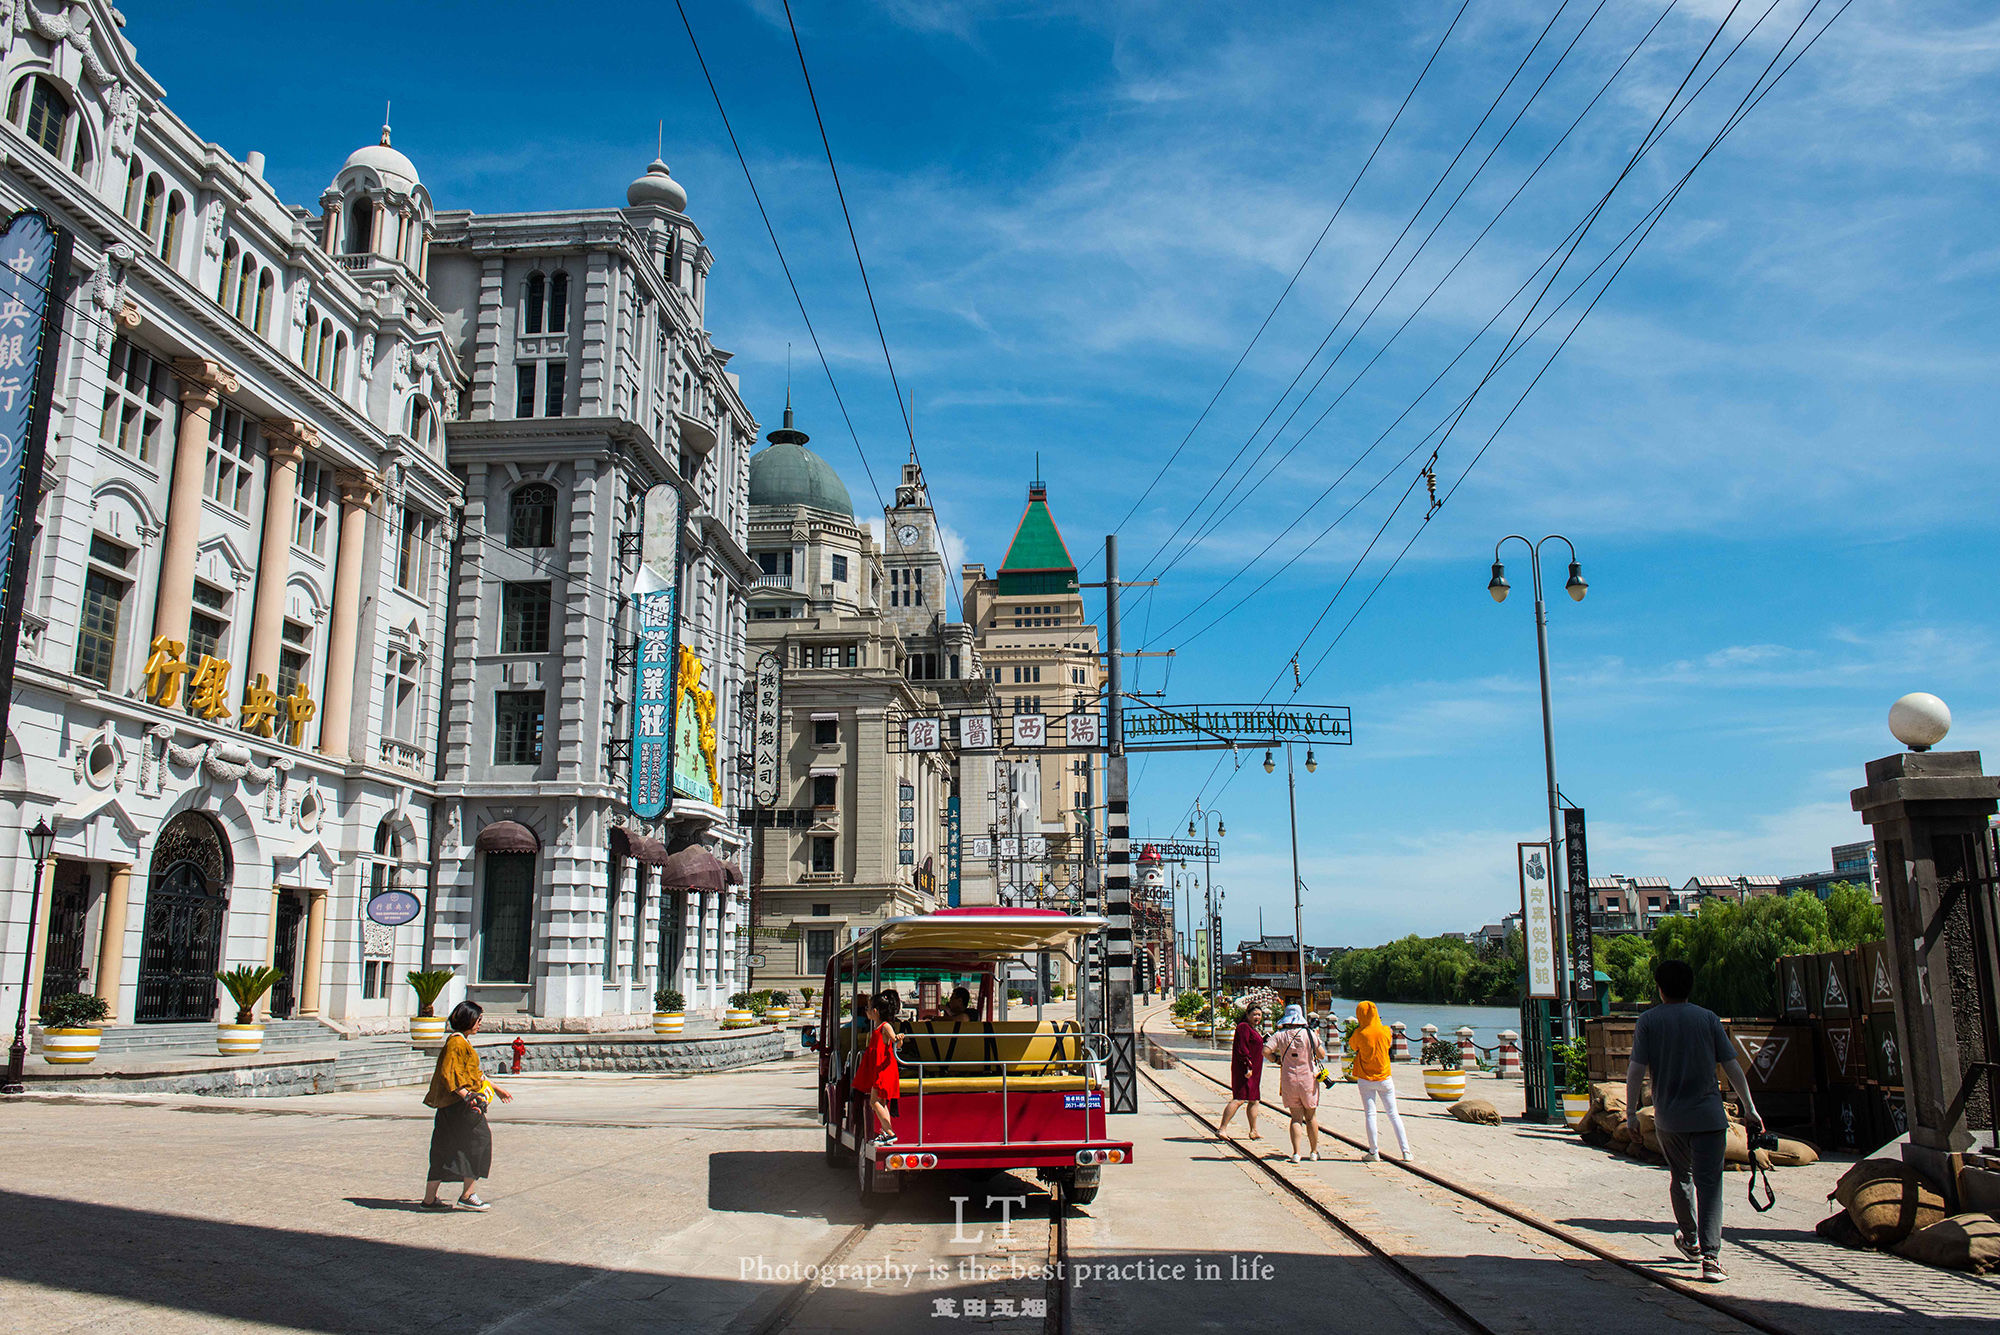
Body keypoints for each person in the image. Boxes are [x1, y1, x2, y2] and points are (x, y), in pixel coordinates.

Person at [1624, 958, 1763, 1284]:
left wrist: (1631, 1113)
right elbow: (1731, 1066)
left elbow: (1635, 1070)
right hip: (1709, 1118)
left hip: (1669, 1119)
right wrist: (1750, 1107)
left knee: (1681, 1178)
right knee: (1711, 1186)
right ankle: (1712, 1260)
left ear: (1660, 988)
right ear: (1690, 986)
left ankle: (1690, 1239)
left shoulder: (1648, 1021)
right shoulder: (1708, 1019)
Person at [421, 1000, 512, 1211]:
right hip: (460, 1107)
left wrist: (496, 1088)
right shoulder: (457, 1043)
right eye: (478, 1020)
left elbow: (473, 1073)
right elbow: (449, 1074)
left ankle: (429, 1200)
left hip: (455, 1106)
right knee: (479, 1142)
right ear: (468, 1019)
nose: (480, 1024)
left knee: (444, 1148)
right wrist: (467, 1096)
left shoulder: (462, 1041)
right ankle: (467, 1194)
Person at [1348, 1001, 1412, 1162]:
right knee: (1393, 1114)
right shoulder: (1385, 1031)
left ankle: (1374, 1152)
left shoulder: (1360, 1033)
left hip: (1365, 1078)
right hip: (1385, 1078)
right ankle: (1406, 1151)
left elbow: (1353, 1047)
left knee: (1370, 1114)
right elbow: (1388, 1044)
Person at [1266, 1004, 1326, 1163]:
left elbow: (1265, 1050)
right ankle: (1313, 1152)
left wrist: (1276, 1059)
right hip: (1308, 1080)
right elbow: (1321, 1055)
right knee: (1311, 1117)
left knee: (1296, 1118)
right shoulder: (1309, 1033)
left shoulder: (1280, 1034)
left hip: (1289, 1080)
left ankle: (1296, 1153)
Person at [854, 990, 903, 1147]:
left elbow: (895, 1041)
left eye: (868, 1008)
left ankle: (889, 1133)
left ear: (875, 1011)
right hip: (878, 1068)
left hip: (883, 1070)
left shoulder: (885, 1026)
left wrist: (899, 1039)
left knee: (874, 1101)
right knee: (881, 1102)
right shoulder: (877, 1027)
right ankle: (886, 1131)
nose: (866, 1011)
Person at [1217, 1004, 1266, 1140]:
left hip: (1255, 1071)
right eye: (1254, 1014)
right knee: (1239, 1098)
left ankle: (1253, 1130)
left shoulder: (1252, 1029)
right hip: (1246, 1070)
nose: (1257, 1017)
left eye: (1259, 1015)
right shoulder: (1243, 1027)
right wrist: (1247, 1066)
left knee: (1254, 1100)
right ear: (1248, 1014)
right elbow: (1242, 1048)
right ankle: (1222, 1128)